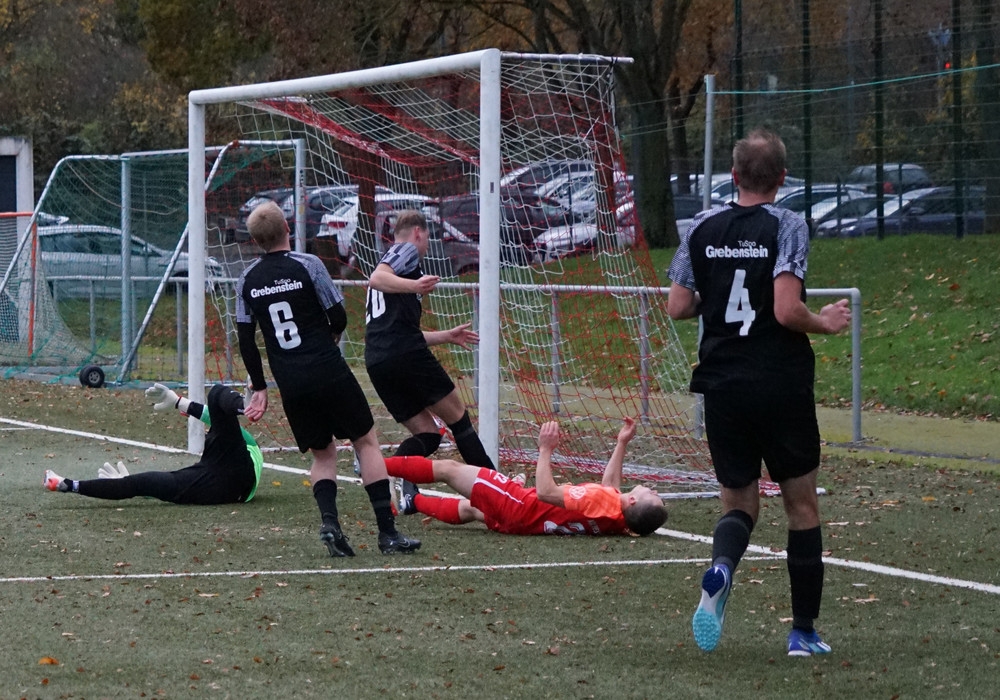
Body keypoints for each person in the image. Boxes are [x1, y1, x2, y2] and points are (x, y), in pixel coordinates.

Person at [666, 128, 852, 657]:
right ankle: (803, 633)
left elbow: (677, 305)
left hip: (722, 384)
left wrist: (716, 294)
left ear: (734, 176)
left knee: (739, 502)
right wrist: (826, 321)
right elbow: (787, 310)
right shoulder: (788, 224)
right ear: (782, 179)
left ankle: (722, 568)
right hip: (778, 381)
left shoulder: (702, 226)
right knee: (801, 505)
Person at [237, 200, 419, 557]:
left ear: (255, 241)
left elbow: (245, 339)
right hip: (327, 369)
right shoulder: (309, 265)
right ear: (287, 228)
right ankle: (387, 533)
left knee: (323, 455)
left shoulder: (247, 279)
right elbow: (338, 316)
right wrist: (329, 337)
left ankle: (331, 524)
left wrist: (259, 386)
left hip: (290, 381)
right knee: (365, 441)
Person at [364, 209, 495, 470]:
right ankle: (499, 487)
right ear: (417, 233)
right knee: (459, 420)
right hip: (405, 355)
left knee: (428, 435)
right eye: (427, 238)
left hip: (378, 361)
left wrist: (447, 336)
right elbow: (375, 278)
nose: (426, 246)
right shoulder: (406, 251)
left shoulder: (392, 267)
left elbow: (399, 333)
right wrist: (415, 286)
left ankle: (382, 470)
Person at [387, 417, 667, 537]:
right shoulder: (619, 520)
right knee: (472, 509)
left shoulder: (601, 501)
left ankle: (377, 465)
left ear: (633, 501)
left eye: (653, 496)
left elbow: (546, 492)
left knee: (449, 469)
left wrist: (545, 449)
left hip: (518, 503)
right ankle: (414, 502)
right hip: (525, 524)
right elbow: (610, 489)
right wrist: (621, 443)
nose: (654, 490)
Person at [44, 383, 262, 504]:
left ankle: (69, 485)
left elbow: (211, 415)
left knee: (216, 392)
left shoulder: (239, 446)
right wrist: (125, 482)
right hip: (232, 488)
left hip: (225, 485)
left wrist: (180, 402)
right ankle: (67, 484)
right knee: (143, 484)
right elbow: (213, 416)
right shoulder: (224, 453)